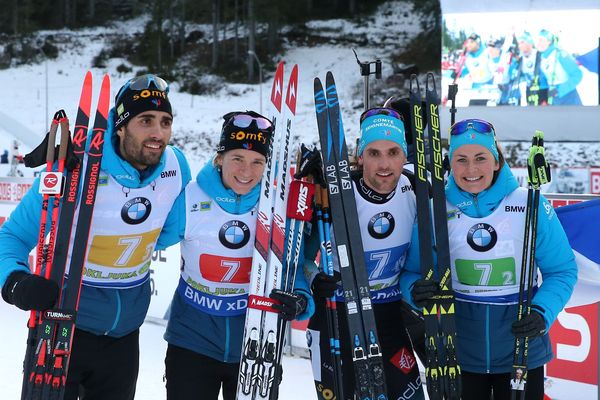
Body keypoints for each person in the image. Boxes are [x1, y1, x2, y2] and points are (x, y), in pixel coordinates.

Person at [0, 74, 191, 400]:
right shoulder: (73, 166)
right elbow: (12, 236)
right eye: (146, 120)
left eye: (165, 121)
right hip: (60, 328)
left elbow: (169, 234)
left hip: (124, 338)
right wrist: (16, 282)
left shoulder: (176, 167)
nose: (158, 133)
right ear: (120, 126)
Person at [405, 118, 577, 400]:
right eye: (461, 159)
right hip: (457, 353)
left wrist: (542, 312)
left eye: (480, 158)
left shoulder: (529, 204)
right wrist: (416, 291)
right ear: (450, 163)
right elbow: (412, 272)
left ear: (497, 161)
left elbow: (562, 270)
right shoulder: (435, 210)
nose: (471, 169)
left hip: (522, 353)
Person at [163, 110, 315, 400]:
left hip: (257, 344)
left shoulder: (278, 207)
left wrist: (300, 297)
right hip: (191, 343)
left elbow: (297, 264)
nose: (247, 171)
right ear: (220, 158)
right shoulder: (190, 198)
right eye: (237, 158)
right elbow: (147, 241)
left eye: (258, 161)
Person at [305, 107, 425, 400]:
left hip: (387, 316)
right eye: (374, 153)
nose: (384, 164)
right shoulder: (335, 195)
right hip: (337, 314)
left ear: (404, 156)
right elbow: (301, 261)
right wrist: (314, 281)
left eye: (393, 152)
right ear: (360, 155)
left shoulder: (416, 190)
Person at [535, 29, 583, 105]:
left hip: (570, 98)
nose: (538, 43)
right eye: (537, 40)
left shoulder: (560, 54)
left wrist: (559, 90)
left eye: (541, 40)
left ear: (549, 41)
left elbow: (577, 75)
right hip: (555, 100)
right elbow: (543, 82)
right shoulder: (541, 59)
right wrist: (543, 99)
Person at [516, 32, 549, 106]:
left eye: (522, 42)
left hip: (542, 92)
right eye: (519, 43)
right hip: (529, 93)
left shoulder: (540, 55)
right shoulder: (519, 59)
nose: (520, 46)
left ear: (529, 43)